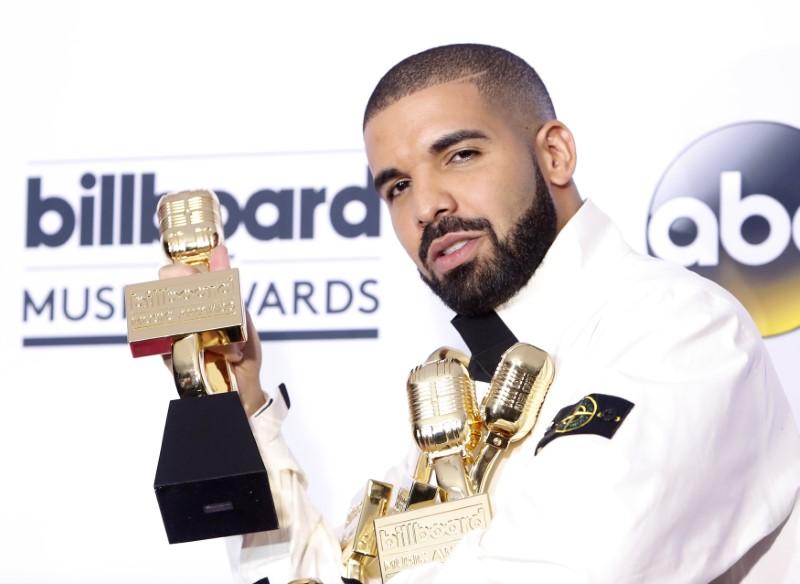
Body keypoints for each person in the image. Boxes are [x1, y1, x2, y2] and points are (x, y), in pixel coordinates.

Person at [161, 44, 800, 583]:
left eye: (460, 154)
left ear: (555, 155)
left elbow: (566, 570)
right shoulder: (458, 390)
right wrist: (236, 405)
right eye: (396, 186)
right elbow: (323, 576)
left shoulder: (678, 330)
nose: (427, 206)